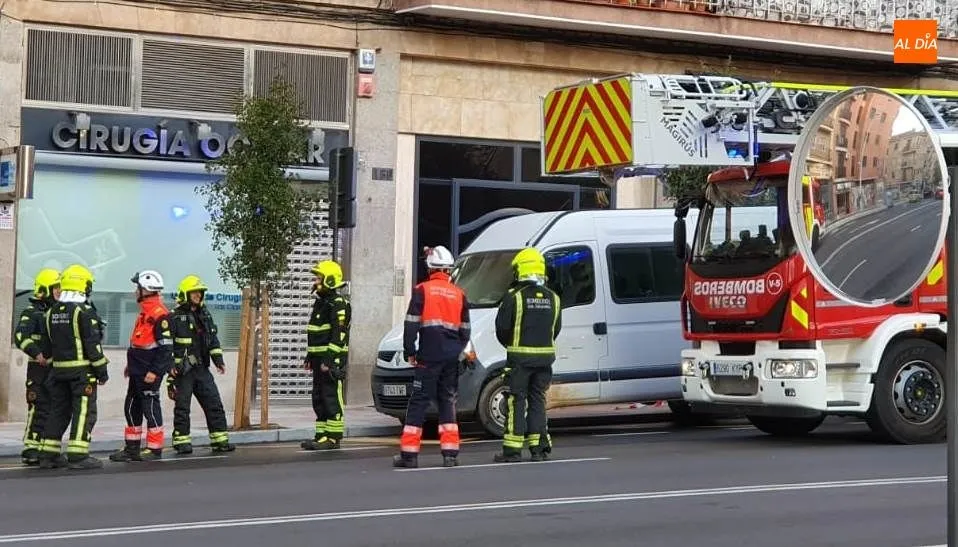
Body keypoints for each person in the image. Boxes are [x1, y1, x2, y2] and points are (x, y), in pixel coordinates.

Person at [393, 245, 470, 469]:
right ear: (449, 270)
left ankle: (409, 455)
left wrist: (410, 352)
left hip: (428, 357)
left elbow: (411, 325)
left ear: (430, 268)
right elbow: (466, 330)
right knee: (447, 401)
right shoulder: (460, 294)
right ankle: (450, 454)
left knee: (418, 403)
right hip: (451, 358)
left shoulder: (422, 290)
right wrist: (456, 349)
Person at [37, 264, 109, 470]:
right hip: (81, 372)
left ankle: (48, 454)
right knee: (84, 412)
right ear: (82, 285)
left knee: (58, 410)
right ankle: (78, 455)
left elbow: (47, 345)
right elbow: (93, 346)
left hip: (58, 371)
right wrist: (102, 372)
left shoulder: (51, 312)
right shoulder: (83, 312)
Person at [492, 247, 562, 463]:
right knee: (538, 401)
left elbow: (502, 328)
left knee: (516, 401)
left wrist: (513, 345)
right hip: (545, 359)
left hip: (520, 360)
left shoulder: (515, 297)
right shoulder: (554, 298)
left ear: (520, 271)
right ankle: (539, 448)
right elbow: (555, 329)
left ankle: (512, 451)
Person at [110, 271, 174, 462]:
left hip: (148, 372)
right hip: (137, 371)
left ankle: (154, 449)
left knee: (150, 409)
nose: (134, 292)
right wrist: (130, 366)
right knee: (131, 408)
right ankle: (132, 449)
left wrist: (155, 371)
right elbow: (140, 342)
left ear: (145, 290)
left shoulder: (160, 315)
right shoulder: (145, 313)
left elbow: (166, 349)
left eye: (136, 288)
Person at [167, 275, 235, 455]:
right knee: (182, 407)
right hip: (184, 371)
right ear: (185, 294)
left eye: (200, 292)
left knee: (214, 403)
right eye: (194, 292)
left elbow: (212, 339)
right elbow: (167, 346)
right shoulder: (174, 317)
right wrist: (170, 370)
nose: (198, 295)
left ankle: (220, 440)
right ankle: (182, 442)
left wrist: (218, 361)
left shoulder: (205, 315)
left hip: (202, 369)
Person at [301, 260, 352, 451]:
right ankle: (321, 435)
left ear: (330, 280)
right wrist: (309, 356)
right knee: (319, 397)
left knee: (331, 396)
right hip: (318, 359)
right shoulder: (321, 302)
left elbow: (338, 336)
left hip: (330, 361)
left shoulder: (339, 305)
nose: (315, 281)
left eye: (319, 278)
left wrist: (329, 360)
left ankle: (333, 437)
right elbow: (316, 333)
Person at [14, 268, 61, 465]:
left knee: (53, 408)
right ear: (45, 289)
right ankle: (31, 447)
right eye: (56, 288)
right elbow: (20, 337)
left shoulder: (58, 313)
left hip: (55, 369)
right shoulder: (31, 313)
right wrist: (36, 353)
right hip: (38, 368)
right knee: (38, 407)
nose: (59, 292)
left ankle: (45, 447)